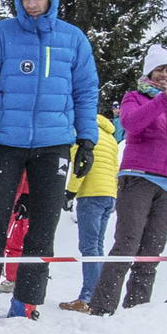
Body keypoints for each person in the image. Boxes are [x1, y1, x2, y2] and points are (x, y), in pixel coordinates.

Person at [0, 0, 100, 327]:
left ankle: (27, 301)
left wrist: (87, 141)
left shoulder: (72, 39)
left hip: (54, 144)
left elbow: (86, 91)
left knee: (43, 226)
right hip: (4, 142)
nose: (32, 2)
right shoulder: (1, 35)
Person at [89, 49, 167, 315]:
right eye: (160, 70)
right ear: (150, 73)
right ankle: (102, 307)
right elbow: (131, 124)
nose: (166, 75)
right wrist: (164, 99)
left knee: (151, 251)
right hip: (138, 178)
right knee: (127, 244)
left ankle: (138, 310)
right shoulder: (134, 97)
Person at [56, 112, 119, 312]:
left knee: (89, 247)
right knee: (98, 246)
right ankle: (98, 295)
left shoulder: (83, 133)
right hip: (109, 194)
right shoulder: (110, 137)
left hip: (91, 193)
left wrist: (69, 193)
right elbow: (114, 166)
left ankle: (88, 296)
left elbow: (80, 166)